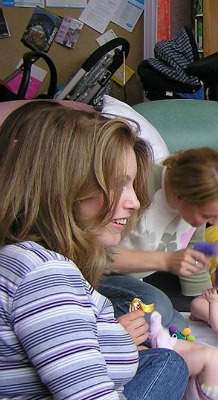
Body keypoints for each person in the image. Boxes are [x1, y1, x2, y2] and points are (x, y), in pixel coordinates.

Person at [0, 101, 188, 399]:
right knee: (168, 364)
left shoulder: (25, 257)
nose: (135, 202)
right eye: (118, 184)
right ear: (64, 185)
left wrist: (113, 339)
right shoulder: (45, 273)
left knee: (165, 360)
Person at [99, 147, 218, 330]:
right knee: (159, 307)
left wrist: (211, 307)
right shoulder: (140, 187)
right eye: (207, 215)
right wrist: (165, 261)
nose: (215, 222)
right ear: (180, 196)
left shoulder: (193, 205)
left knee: (178, 326)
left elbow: (195, 256)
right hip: (95, 277)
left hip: (130, 282)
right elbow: (97, 255)